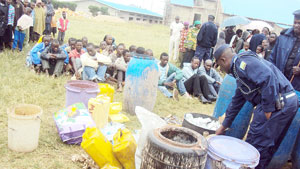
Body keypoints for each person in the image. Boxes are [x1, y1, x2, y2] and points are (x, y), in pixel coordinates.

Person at [214, 44, 298, 169]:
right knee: (265, 145)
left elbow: (268, 78)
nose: (221, 70)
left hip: (280, 102)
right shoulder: (239, 72)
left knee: (255, 143)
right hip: (287, 101)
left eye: (220, 66)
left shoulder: (241, 63)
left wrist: (267, 109)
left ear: (223, 60)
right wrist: (224, 125)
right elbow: (237, 100)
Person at [269, 9, 300, 102]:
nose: (296, 25)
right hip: (278, 84)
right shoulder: (283, 37)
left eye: (299, 23)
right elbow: (272, 59)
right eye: (295, 22)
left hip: (296, 88)